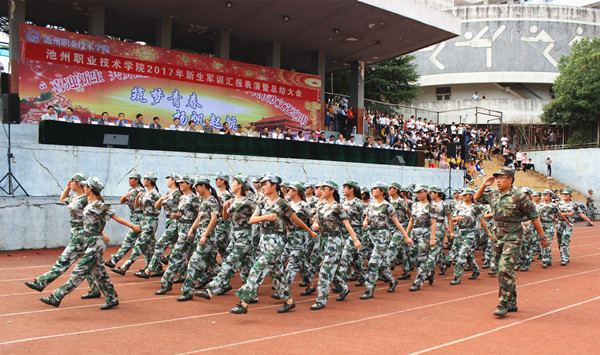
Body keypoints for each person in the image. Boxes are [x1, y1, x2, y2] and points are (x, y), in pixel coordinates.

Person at [39, 177, 140, 309]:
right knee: (99, 272)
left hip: (96, 243)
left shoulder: (99, 205)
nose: (84, 188)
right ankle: (112, 298)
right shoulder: (88, 203)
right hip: (88, 240)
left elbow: (116, 218)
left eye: (86, 187)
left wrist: (132, 226)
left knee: (79, 270)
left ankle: (57, 296)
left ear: (90, 189)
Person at [230, 174, 317, 314]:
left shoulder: (283, 204)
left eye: (265, 184)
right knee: (277, 273)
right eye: (262, 184)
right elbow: (252, 220)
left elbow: (295, 219)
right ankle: (289, 301)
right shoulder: (262, 202)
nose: (262, 187)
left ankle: (244, 303)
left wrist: (310, 231)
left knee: (256, 269)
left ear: (274, 186)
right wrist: (266, 217)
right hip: (264, 240)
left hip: (276, 241)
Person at [474, 167, 549, 317]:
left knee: (504, 268)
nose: (498, 181)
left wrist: (542, 237)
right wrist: (484, 184)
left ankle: (503, 303)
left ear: (510, 180)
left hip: (513, 236)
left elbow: (534, 217)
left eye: (502, 178)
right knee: (502, 269)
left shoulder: (520, 197)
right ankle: (512, 301)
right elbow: (476, 198)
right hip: (498, 236)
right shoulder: (494, 194)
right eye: (497, 178)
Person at [24, 173, 100, 298]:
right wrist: (68, 187)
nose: (70, 183)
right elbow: (62, 198)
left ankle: (42, 282)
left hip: (82, 234)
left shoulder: (85, 200)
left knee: (64, 260)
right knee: (89, 264)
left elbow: (93, 217)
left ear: (79, 183)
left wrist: (100, 232)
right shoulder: (75, 198)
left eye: (72, 181)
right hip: (75, 232)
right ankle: (97, 289)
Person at [196, 174, 257, 300]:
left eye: (234, 182)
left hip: (244, 236)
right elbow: (225, 217)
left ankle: (210, 289)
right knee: (244, 266)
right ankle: (252, 293)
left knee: (230, 262)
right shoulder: (234, 200)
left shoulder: (249, 201)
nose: (232, 184)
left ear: (240, 185)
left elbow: (260, 213)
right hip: (234, 235)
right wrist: (224, 208)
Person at [309, 181, 361, 310]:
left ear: (332, 190)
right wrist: (314, 225)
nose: (321, 191)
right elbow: (315, 222)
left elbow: (347, 224)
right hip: (323, 240)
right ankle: (343, 288)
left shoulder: (337, 207)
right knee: (333, 269)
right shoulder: (321, 206)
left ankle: (321, 300)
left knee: (325, 270)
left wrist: (355, 240)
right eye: (321, 189)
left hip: (335, 241)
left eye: (324, 188)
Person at [361, 182, 411, 299]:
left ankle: (369, 289)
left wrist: (406, 236)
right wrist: (365, 222)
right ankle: (392, 280)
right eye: (372, 188)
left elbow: (397, 223)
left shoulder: (388, 206)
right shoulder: (371, 205)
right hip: (371, 235)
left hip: (382, 236)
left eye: (375, 189)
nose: (372, 190)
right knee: (382, 263)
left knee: (373, 262)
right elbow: (367, 217)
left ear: (382, 191)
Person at [176, 176, 221, 301]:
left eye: (197, 186)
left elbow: (214, 219)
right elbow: (199, 217)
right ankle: (224, 282)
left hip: (207, 237)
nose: (196, 189)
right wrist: (192, 229)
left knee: (193, 262)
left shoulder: (211, 201)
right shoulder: (203, 200)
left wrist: (205, 235)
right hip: (201, 235)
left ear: (204, 186)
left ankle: (187, 291)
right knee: (210, 263)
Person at [155, 175, 200, 295]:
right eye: (179, 183)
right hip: (181, 227)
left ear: (189, 184)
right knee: (191, 257)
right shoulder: (183, 197)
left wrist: (192, 228)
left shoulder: (194, 198)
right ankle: (204, 277)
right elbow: (183, 213)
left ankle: (166, 283)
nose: (180, 184)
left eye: (183, 183)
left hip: (187, 230)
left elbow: (199, 214)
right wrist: (176, 215)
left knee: (175, 256)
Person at [110, 172, 161, 276]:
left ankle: (124, 267)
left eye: (145, 179)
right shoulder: (144, 193)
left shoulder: (155, 194)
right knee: (149, 246)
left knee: (139, 244)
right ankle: (158, 267)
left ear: (149, 181)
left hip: (150, 220)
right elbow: (137, 205)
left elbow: (158, 207)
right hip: (144, 220)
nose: (144, 181)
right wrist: (138, 197)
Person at [135, 173, 182, 278]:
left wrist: (178, 215)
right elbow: (157, 206)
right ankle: (183, 273)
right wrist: (161, 199)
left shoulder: (178, 194)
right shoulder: (167, 193)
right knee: (176, 248)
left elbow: (183, 209)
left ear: (174, 181)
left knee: (160, 244)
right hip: (169, 222)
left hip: (176, 223)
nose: (167, 181)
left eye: (168, 179)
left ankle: (149, 270)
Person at [448, 188, 492, 285]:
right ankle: (475, 270)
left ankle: (457, 277)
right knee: (468, 255)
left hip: (471, 232)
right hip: (460, 231)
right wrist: (455, 221)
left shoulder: (475, 207)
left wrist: (488, 232)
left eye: (465, 195)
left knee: (462, 253)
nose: (463, 197)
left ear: (471, 195)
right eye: (462, 195)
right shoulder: (459, 206)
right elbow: (451, 219)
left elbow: (482, 220)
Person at [104, 173, 145, 268]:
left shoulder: (141, 191)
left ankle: (114, 260)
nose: (129, 180)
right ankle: (157, 266)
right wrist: (125, 196)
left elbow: (140, 205)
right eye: (129, 179)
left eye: (131, 179)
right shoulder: (130, 191)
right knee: (147, 247)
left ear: (137, 180)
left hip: (140, 217)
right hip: (134, 216)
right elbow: (122, 201)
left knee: (129, 240)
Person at [405, 184, 436, 292]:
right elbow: (411, 220)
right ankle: (428, 272)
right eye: (416, 192)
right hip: (414, 232)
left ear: (426, 192)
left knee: (422, 257)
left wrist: (432, 238)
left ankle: (417, 282)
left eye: (420, 192)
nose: (418, 194)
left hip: (425, 233)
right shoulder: (414, 205)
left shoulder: (430, 207)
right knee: (412, 256)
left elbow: (433, 223)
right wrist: (406, 234)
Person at [556, 188, 594, 266]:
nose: (564, 195)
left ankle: (564, 258)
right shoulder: (558, 204)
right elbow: (555, 214)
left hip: (569, 224)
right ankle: (565, 255)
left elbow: (580, 213)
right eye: (563, 194)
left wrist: (589, 221)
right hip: (560, 224)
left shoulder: (574, 205)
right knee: (560, 241)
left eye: (566, 194)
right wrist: (566, 214)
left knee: (565, 239)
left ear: (570, 195)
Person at [538, 189, 571, 268]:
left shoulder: (553, 206)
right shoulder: (540, 206)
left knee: (547, 242)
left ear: (550, 196)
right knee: (543, 242)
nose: (545, 196)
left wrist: (567, 221)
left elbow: (559, 214)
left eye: (547, 195)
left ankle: (545, 260)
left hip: (550, 225)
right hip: (542, 225)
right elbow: (538, 217)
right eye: (544, 195)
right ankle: (548, 259)